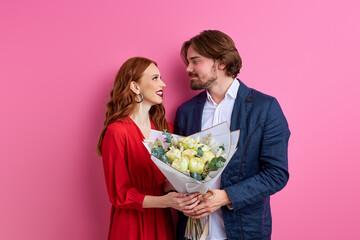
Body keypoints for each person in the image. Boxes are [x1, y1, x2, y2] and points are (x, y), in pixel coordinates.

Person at [174, 30, 290, 240]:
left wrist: (226, 197)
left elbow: (276, 174)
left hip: (245, 230)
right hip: (193, 231)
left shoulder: (265, 108)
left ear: (221, 62)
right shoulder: (186, 111)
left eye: (195, 61)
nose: (188, 68)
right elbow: (178, 172)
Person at [97, 57, 200, 240]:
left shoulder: (165, 130)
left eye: (160, 77)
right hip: (131, 222)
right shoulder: (117, 132)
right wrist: (165, 201)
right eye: (155, 78)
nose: (163, 83)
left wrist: (182, 186)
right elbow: (119, 195)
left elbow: (165, 180)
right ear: (135, 87)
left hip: (162, 221)